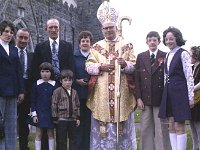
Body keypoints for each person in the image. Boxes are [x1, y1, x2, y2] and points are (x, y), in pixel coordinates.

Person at [85, 1, 137, 149]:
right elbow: (88, 66)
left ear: (116, 28)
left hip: (122, 92)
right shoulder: (96, 47)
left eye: (110, 28)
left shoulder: (126, 45)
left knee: (122, 125)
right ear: (102, 30)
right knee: (103, 125)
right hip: (102, 93)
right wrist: (100, 66)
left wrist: (125, 64)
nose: (108, 30)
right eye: (105, 28)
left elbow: (135, 67)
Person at [30, 18, 75, 150]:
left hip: (63, 87)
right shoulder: (40, 47)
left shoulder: (67, 46)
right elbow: (34, 69)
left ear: (59, 28)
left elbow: (71, 67)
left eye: (56, 27)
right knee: (44, 123)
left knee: (60, 123)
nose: (54, 30)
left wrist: (69, 86)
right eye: (51, 27)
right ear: (46, 29)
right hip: (45, 89)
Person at [158, 26, 194, 150]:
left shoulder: (183, 53)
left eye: (171, 39)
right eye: (166, 39)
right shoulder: (168, 54)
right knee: (171, 125)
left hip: (180, 93)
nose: (168, 41)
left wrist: (191, 97)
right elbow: (165, 76)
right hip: (169, 93)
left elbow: (189, 76)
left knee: (179, 126)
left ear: (177, 38)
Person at [135, 31, 171, 150]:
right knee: (145, 128)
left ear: (159, 42)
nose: (152, 42)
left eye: (154, 40)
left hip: (160, 98)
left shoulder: (165, 55)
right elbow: (137, 79)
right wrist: (138, 98)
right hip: (145, 99)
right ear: (146, 42)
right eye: (150, 40)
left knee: (161, 129)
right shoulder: (141, 56)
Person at [0, 20, 24, 150]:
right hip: (0, 91)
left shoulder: (14, 50)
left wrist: (21, 91)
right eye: (6, 32)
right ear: (0, 33)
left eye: (11, 32)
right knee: (0, 123)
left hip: (13, 91)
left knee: (10, 124)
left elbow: (18, 71)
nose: (9, 34)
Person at [52, 69, 80, 150]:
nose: (67, 82)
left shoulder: (75, 92)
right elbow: (54, 104)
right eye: (65, 80)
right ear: (61, 81)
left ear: (72, 81)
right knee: (61, 140)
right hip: (61, 120)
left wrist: (78, 117)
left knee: (73, 140)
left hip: (72, 119)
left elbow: (77, 105)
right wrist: (55, 118)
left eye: (69, 80)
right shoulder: (58, 91)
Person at [31, 62, 57, 150]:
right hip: (39, 113)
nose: (45, 74)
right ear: (40, 73)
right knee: (38, 134)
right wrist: (34, 115)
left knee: (51, 134)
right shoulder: (36, 85)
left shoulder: (54, 85)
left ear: (51, 73)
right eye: (42, 71)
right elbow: (33, 101)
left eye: (47, 71)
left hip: (51, 113)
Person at [74, 31, 92, 150]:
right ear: (79, 44)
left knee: (89, 125)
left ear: (91, 43)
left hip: (92, 95)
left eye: (87, 41)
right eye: (83, 41)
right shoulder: (74, 57)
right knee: (78, 124)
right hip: (78, 95)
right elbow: (70, 72)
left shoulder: (94, 56)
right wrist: (76, 80)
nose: (85, 43)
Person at [16, 28, 33, 150]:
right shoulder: (10, 52)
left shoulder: (32, 56)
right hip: (11, 90)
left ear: (29, 39)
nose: (23, 40)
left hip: (26, 92)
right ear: (16, 38)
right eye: (20, 37)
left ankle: (23, 147)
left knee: (23, 121)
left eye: (25, 38)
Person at [189, 46, 200, 150]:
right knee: (192, 126)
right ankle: (195, 147)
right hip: (193, 100)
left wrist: (191, 89)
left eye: (190, 54)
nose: (189, 56)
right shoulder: (192, 67)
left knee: (198, 127)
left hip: (198, 101)